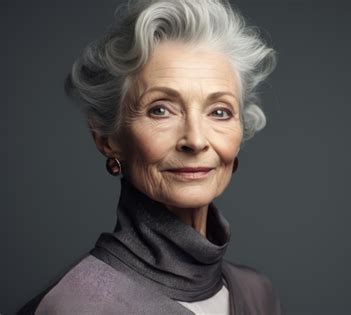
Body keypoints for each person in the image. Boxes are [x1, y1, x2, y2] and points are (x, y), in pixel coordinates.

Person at [18, 0, 279, 314]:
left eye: (219, 112)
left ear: (240, 133)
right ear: (107, 138)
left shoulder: (257, 293)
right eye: (161, 110)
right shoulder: (75, 307)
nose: (195, 140)